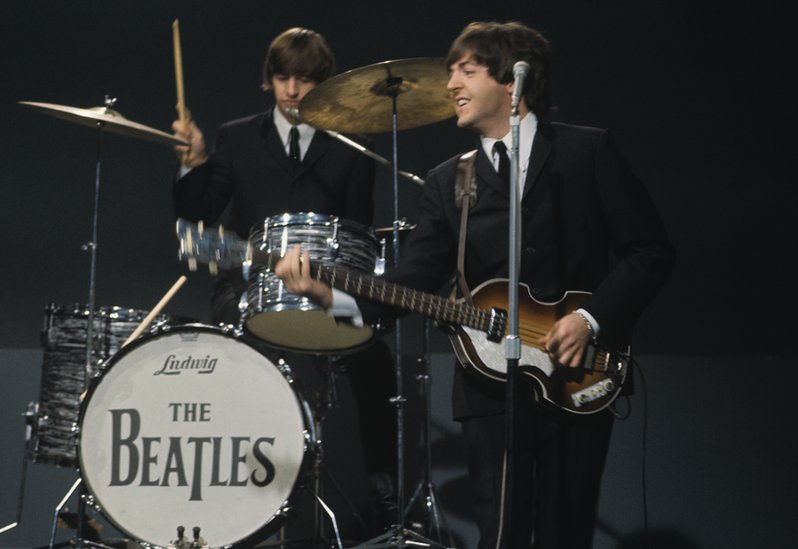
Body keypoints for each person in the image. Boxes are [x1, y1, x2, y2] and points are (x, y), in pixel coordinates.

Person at [276, 21, 675, 549]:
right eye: (451, 73)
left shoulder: (587, 152)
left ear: (513, 81)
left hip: (577, 376)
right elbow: (410, 282)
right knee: (499, 534)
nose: (450, 85)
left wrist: (589, 319)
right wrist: (332, 295)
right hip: (488, 391)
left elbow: (650, 252)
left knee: (566, 532)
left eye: (466, 70)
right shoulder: (449, 181)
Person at [170, 27, 397, 540]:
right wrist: (193, 164)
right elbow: (200, 215)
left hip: (322, 289)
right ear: (269, 80)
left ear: (323, 84)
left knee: (373, 355)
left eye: (305, 79)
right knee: (237, 331)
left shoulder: (351, 143)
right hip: (249, 284)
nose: (292, 90)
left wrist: (326, 286)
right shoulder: (237, 135)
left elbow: (358, 234)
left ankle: (369, 491)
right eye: (282, 77)